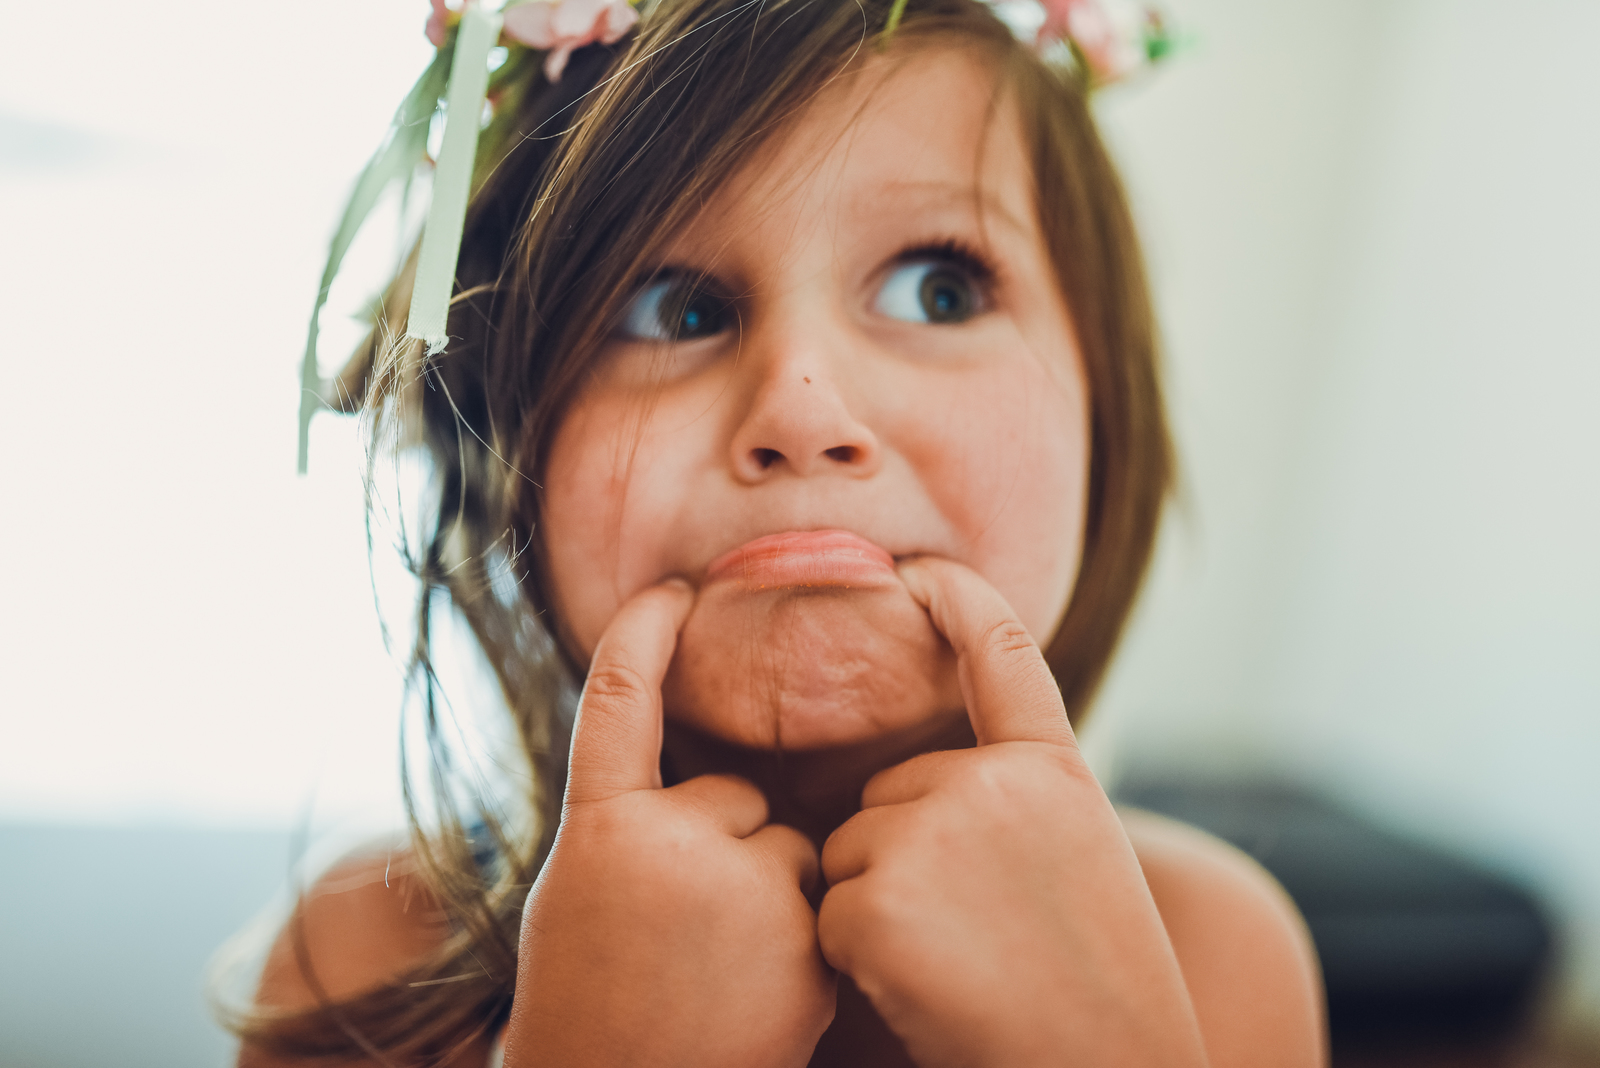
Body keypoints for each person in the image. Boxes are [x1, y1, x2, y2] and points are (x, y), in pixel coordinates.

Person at [228, 0, 1326, 1063]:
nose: (800, 411)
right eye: (674, 308)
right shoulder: (360, 961)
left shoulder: (1213, 958)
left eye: (938, 289)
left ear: (1108, 409)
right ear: (512, 431)